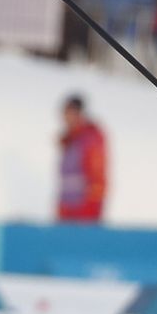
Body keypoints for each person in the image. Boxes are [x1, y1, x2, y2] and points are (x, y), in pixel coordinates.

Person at [56, 94, 107, 223]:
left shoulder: (90, 139)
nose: (65, 117)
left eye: (68, 112)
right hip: (67, 210)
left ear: (78, 113)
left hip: (84, 212)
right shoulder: (69, 140)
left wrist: (90, 210)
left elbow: (97, 178)